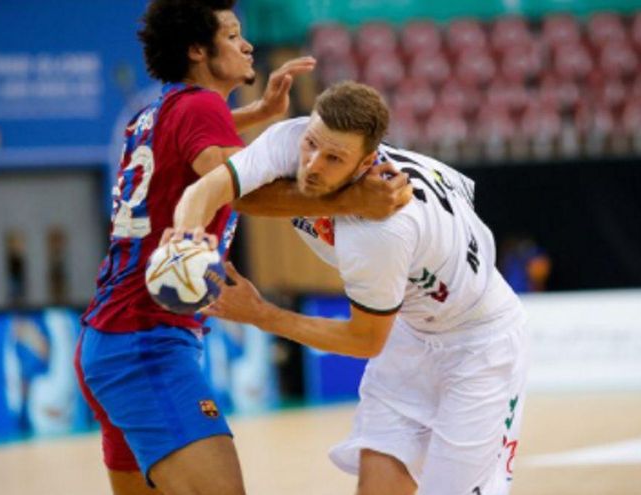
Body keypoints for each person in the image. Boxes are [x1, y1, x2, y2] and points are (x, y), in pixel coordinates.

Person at [73, 2, 412, 494]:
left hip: (107, 339)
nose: (247, 44)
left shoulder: (154, 112)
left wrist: (260, 112)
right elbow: (240, 188)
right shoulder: (200, 108)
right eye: (232, 35)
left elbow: (194, 139)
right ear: (196, 50)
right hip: (148, 341)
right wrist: (355, 198)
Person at [168, 81, 530, 495]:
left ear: (367, 163)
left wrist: (261, 314)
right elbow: (205, 190)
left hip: (479, 343)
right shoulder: (288, 139)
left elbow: (365, 340)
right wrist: (184, 243)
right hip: (411, 330)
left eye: (334, 158)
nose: (312, 165)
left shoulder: (381, 231)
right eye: (312, 145)